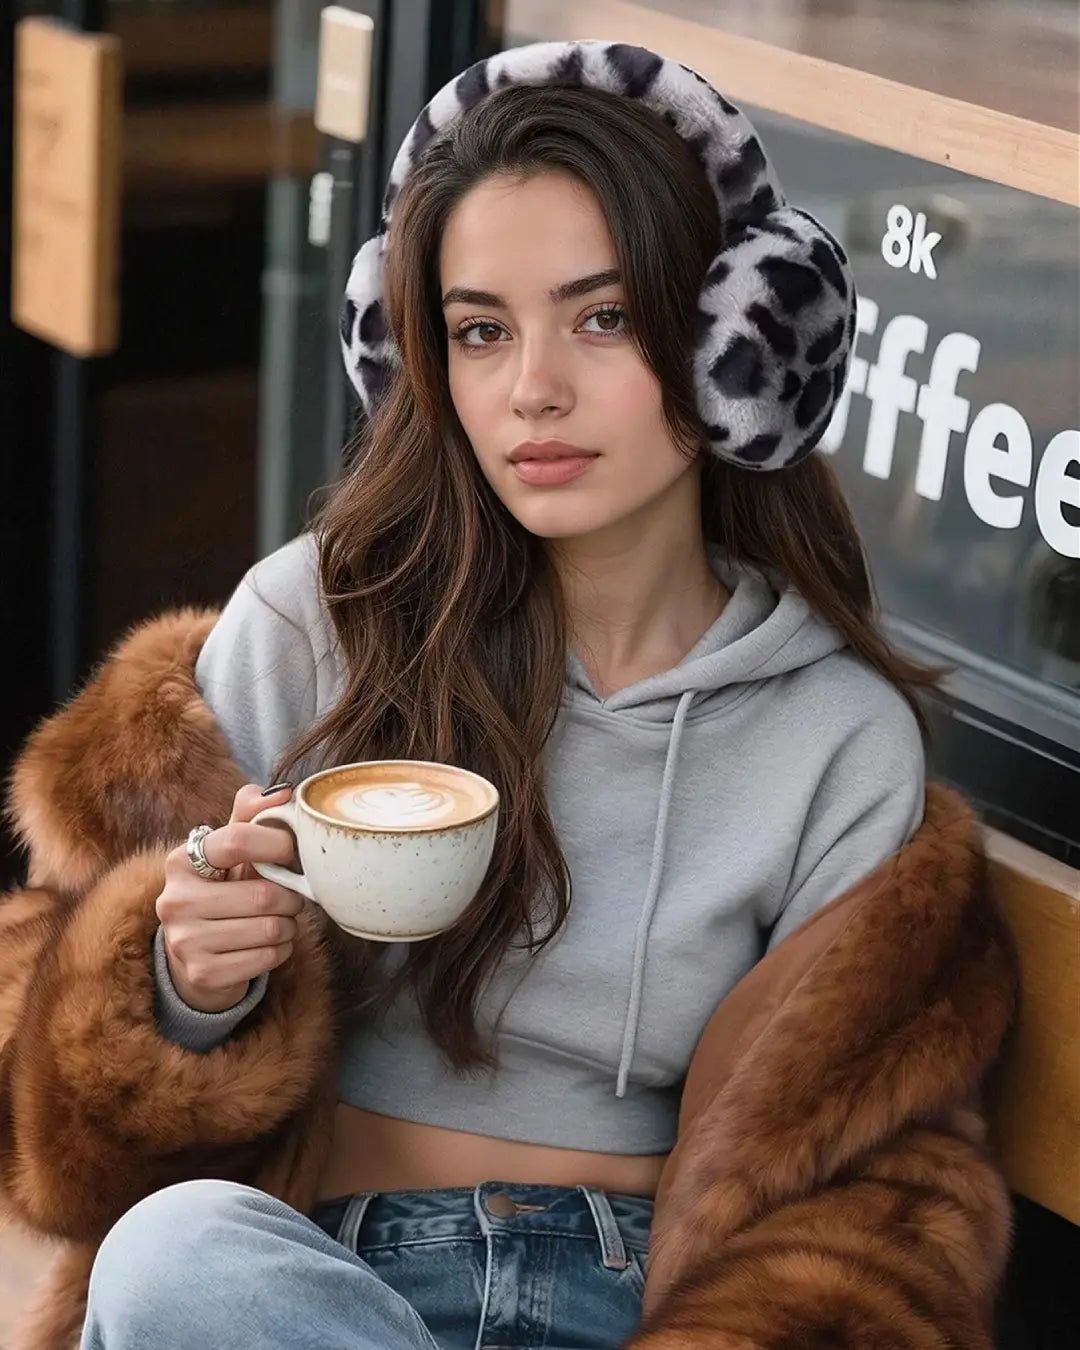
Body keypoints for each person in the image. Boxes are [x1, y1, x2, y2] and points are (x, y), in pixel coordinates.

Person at [0, 41, 1016, 1350]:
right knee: (172, 1254)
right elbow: (51, 1133)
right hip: (309, 1277)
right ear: (425, 358)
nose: (532, 386)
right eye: (482, 329)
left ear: (735, 344)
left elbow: (884, 1200)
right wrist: (185, 987)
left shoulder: (838, 741)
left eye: (601, 316)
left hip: (644, 1304)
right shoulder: (313, 622)